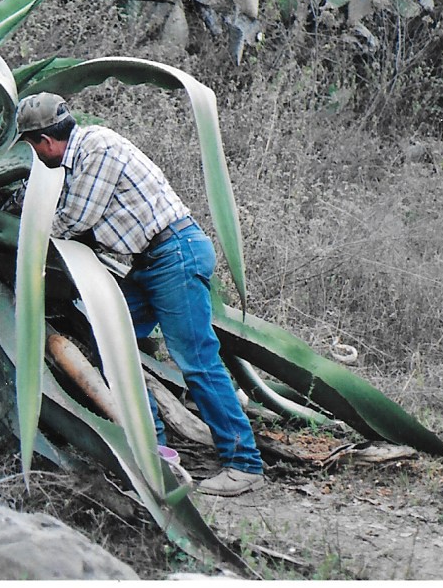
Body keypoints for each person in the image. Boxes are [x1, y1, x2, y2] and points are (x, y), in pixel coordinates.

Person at [14, 92, 265, 496]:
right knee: (112, 343)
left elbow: (78, 219)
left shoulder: (96, 148)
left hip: (172, 256)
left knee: (196, 359)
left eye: (31, 146)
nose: (35, 155)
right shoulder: (81, 158)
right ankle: (156, 449)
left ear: (43, 142)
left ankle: (244, 463)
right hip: (147, 262)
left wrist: (24, 235)